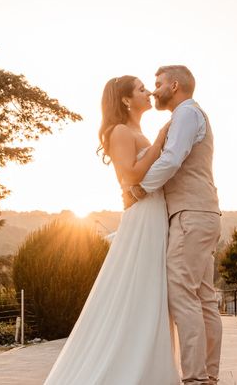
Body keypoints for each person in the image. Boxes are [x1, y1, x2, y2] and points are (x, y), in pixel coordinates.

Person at [42, 75, 179, 385]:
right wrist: (160, 142)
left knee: (150, 291)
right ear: (126, 100)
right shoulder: (120, 131)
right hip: (142, 216)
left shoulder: (136, 132)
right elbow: (129, 176)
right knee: (140, 288)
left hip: (155, 214)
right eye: (141, 89)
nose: (148, 92)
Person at [125, 65, 222, 385]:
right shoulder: (191, 115)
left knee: (182, 293)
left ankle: (195, 378)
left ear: (175, 85)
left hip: (191, 215)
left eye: (158, 83)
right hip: (204, 214)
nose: (154, 90)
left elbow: (171, 159)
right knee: (204, 299)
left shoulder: (186, 114)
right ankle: (207, 376)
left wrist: (139, 190)